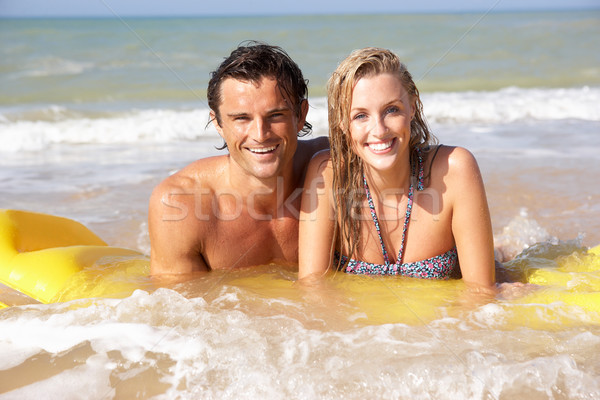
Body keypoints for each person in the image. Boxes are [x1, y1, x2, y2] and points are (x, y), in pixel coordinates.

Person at [298, 47, 496, 292]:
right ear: (342, 122)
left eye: (391, 110)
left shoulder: (455, 169)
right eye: (360, 116)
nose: (379, 130)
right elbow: (312, 289)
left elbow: (481, 293)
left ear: (412, 107)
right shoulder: (327, 174)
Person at [149, 42, 328, 274]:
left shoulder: (333, 168)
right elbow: (179, 307)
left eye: (275, 115)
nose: (260, 134)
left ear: (301, 115)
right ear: (218, 123)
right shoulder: (179, 204)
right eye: (242, 118)